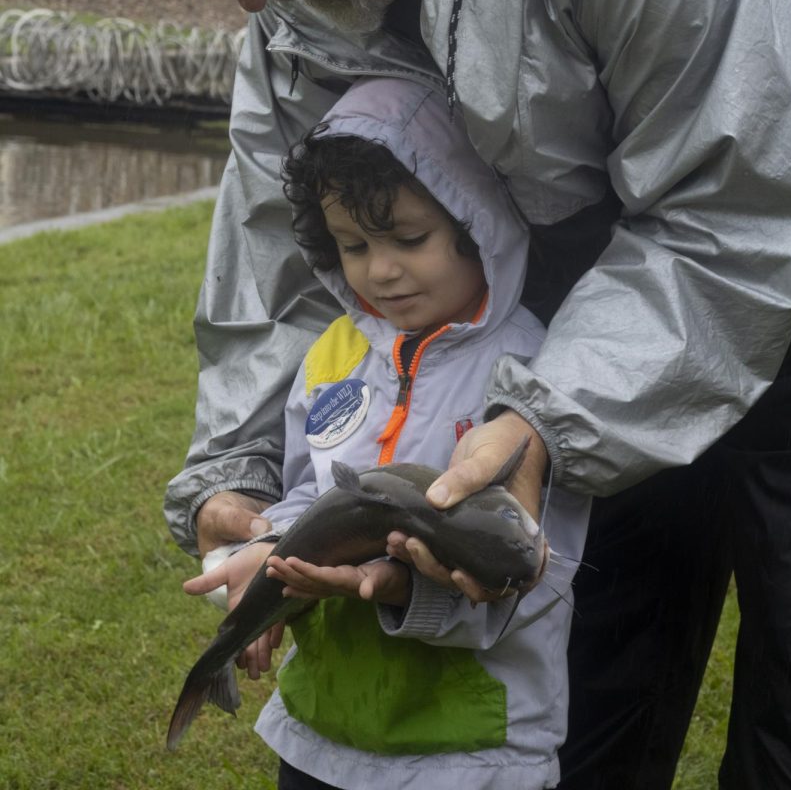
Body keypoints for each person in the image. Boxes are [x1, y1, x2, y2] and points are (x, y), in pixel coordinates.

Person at [74, 0, 791, 789]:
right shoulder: (296, 17)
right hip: (610, 301)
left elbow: (730, 213)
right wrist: (237, 475)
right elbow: (290, 265)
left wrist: (548, 412)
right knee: (584, 656)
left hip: (760, 237)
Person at [186, 75, 588, 790]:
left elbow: (532, 568)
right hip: (320, 731)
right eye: (352, 245)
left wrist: (404, 587)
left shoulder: (534, 375)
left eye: (409, 238)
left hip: (470, 750)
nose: (382, 271)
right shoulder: (335, 352)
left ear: (480, 223)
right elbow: (309, 489)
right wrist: (268, 554)